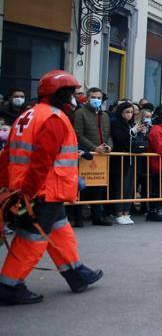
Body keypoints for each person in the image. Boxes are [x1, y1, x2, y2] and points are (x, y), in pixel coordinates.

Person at [0, 70, 103, 305]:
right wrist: (27, 193)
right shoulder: (54, 118)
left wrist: (8, 187)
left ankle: (76, 273)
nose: (74, 98)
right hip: (42, 191)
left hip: (37, 190)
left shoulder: (27, 115)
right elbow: (41, 161)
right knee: (32, 238)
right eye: (71, 93)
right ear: (60, 94)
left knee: (59, 229)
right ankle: (9, 285)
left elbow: (7, 156)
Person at [70, 86, 113, 226]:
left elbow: (108, 134)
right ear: (87, 99)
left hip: (101, 155)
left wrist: (109, 146)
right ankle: (78, 217)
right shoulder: (80, 113)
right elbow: (78, 134)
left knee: (98, 186)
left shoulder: (104, 115)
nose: (96, 100)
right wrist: (94, 148)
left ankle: (97, 217)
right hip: (85, 154)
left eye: (99, 98)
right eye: (93, 97)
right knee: (82, 187)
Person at [109, 101, 147, 224]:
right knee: (121, 187)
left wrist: (141, 133)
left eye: (131, 112)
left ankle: (127, 212)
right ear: (121, 112)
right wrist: (133, 131)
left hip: (132, 159)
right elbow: (119, 140)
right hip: (120, 159)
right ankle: (119, 213)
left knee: (130, 187)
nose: (129, 114)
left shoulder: (131, 124)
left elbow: (136, 141)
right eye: (127, 112)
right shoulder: (115, 123)